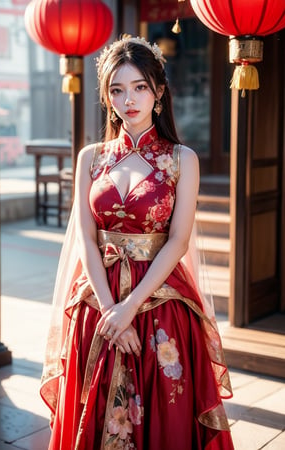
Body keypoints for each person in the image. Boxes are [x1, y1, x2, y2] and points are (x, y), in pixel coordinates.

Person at [40, 35, 234, 450]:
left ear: (159, 91)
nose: (128, 99)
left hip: (159, 301)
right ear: (107, 96)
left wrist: (129, 309)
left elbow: (178, 241)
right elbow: (88, 241)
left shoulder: (182, 158)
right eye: (117, 89)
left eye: (140, 87)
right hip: (97, 299)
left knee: (165, 415)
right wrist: (111, 309)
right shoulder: (90, 157)